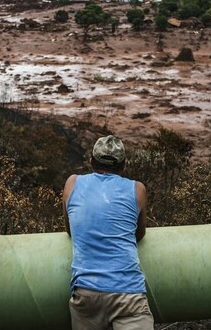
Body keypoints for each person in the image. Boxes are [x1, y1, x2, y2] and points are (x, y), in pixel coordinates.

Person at [62, 135, 154, 330]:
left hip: (86, 292)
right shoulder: (137, 189)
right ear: (123, 165)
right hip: (128, 293)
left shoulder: (72, 183)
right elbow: (139, 234)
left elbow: (70, 230)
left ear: (91, 161)